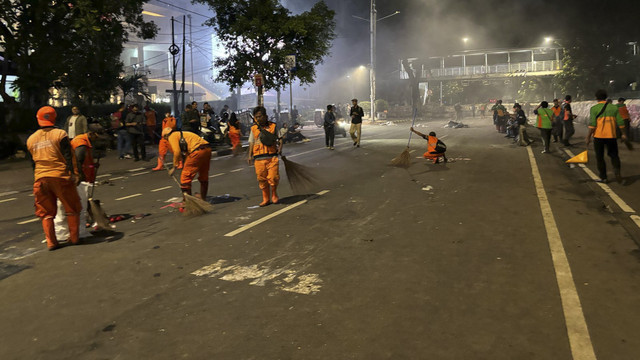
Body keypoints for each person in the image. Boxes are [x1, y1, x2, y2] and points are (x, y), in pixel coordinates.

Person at [26, 106, 82, 251]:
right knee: (72, 207)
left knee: (46, 213)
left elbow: (33, 162)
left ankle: (51, 242)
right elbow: (69, 156)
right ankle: (74, 238)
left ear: (38, 119)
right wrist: (75, 173)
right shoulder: (60, 134)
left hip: (40, 178)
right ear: (54, 118)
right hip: (60, 177)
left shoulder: (31, 139)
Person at [54, 124, 103, 240]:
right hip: (77, 177)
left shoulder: (84, 141)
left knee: (82, 201)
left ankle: (84, 223)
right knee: (79, 202)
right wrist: (79, 176)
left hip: (77, 175)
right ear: (91, 134)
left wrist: (92, 165)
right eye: (97, 136)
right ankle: (78, 230)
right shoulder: (81, 144)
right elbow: (78, 161)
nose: (98, 139)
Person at [585, 90, 626, 183]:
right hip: (611, 136)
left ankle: (604, 177)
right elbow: (620, 122)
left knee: (600, 157)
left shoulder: (594, 109)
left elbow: (592, 125)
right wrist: (623, 134)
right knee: (614, 156)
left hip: (599, 137)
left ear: (596, 98)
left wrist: (588, 137)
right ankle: (617, 172)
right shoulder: (614, 108)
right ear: (606, 97)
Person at [247, 106, 282, 207]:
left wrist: (280, 148)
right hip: (258, 158)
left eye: (260, 116)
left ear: (265, 116)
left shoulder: (273, 126)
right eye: (256, 117)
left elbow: (280, 138)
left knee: (273, 177)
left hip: (272, 157)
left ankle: (274, 194)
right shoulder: (254, 129)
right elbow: (251, 142)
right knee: (261, 179)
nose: (258, 119)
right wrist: (250, 156)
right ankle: (265, 198)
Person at [163, 127, 211, 200]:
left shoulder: (172, 136)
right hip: (207, 149)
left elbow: (177, 152)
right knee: (203, 175)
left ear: (166, 136)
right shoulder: (181, 134)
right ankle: (203, 198)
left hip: (196, 151)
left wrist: (174, 167)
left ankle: (188, 202)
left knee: (185, 178)